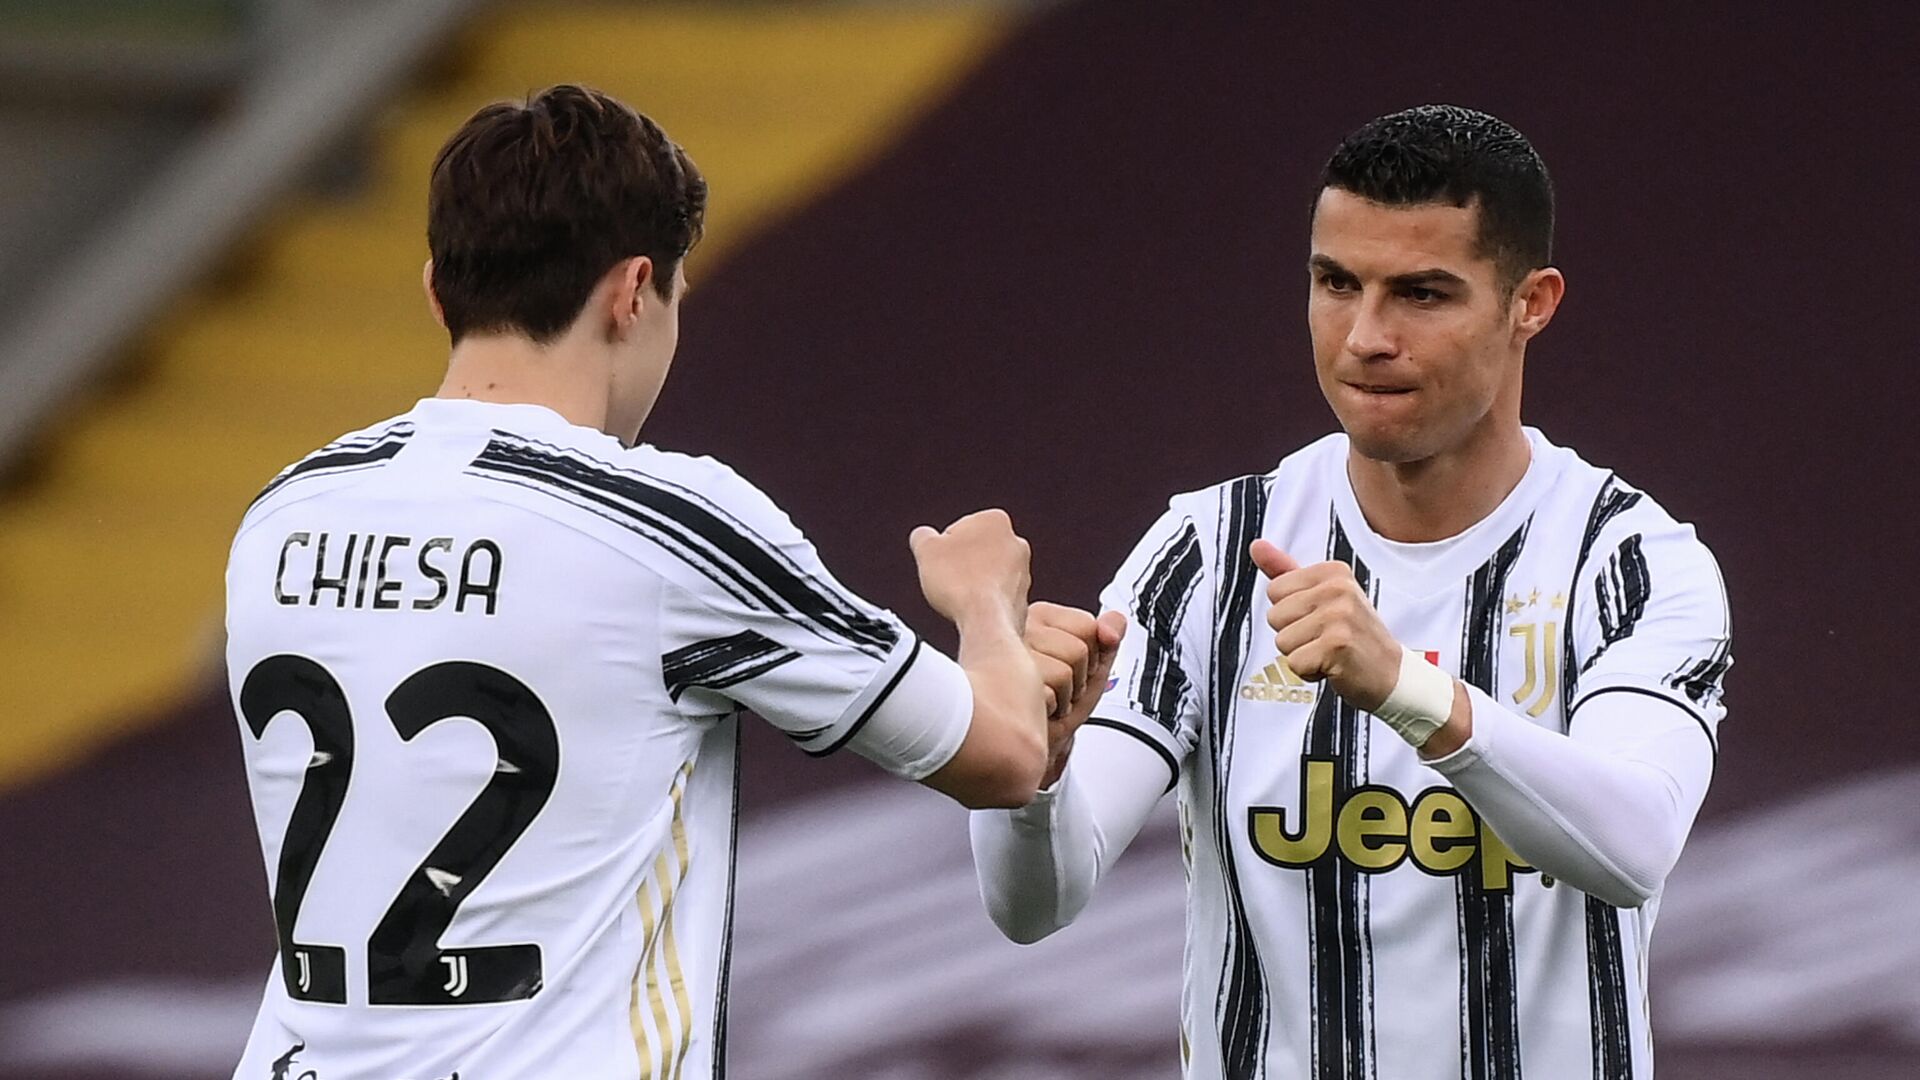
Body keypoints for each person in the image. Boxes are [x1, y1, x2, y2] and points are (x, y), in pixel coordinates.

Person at [224, 84, 1067, 1080]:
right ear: (633, 291)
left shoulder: (286, 510)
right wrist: (985, 610)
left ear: (437, 291)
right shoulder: (661, 525)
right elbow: (1004, 754)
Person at [971, 104, 1733, 1080]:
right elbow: (1036, 904)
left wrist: (1407, 690)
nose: (1367, 336)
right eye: (1338, 283)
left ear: (1530, 303)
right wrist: (1034, 772)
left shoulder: (1628, 562)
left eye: (1422, 293)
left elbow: (1634, 847)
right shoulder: (1209, 552)